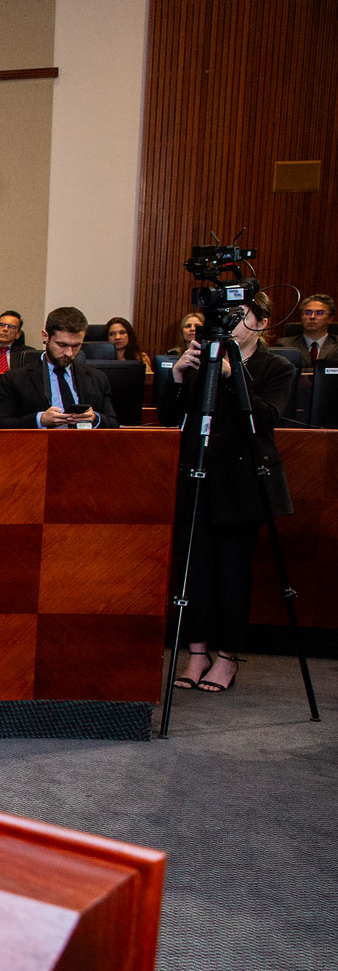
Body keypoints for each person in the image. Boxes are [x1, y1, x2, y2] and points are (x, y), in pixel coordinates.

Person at [165, 292, 294, 694]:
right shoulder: (202, 361)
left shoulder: (276, 366)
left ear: (261, 321)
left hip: (242, 484)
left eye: (238, 316)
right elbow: (172, 420)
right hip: (196, 479)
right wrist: (178, 377)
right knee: (195, 571)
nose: (228, 324)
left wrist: (229, 375)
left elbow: (267, 418)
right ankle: (196, 652)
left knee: (232, 574)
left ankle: (228, 657)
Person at [0, 306, 120, 428]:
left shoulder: (97, 378)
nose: (69, 353)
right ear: (45, 336)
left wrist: (94, 418)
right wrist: (39, 420)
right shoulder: (16, 379)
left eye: (76, 346)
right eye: (62, 345)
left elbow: (113, 423)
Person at [273, 294, 334, 361]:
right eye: (308, 313)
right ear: (301, 317)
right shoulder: (285, 345)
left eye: (319, 313)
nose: (312, 317)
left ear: (330, 318)